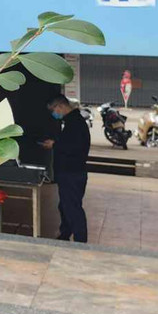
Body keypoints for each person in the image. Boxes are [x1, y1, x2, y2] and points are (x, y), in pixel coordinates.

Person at [42, 95, 90, 243]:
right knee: (65, 206)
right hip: (70, 172)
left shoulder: (75, 123)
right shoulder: (71, 122)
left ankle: (80, 240)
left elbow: (75, 147)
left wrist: (55, 145)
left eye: (53, 110)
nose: (53, 114)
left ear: (60, 106)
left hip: (73, 172)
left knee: (72, 207)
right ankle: (65, 234)